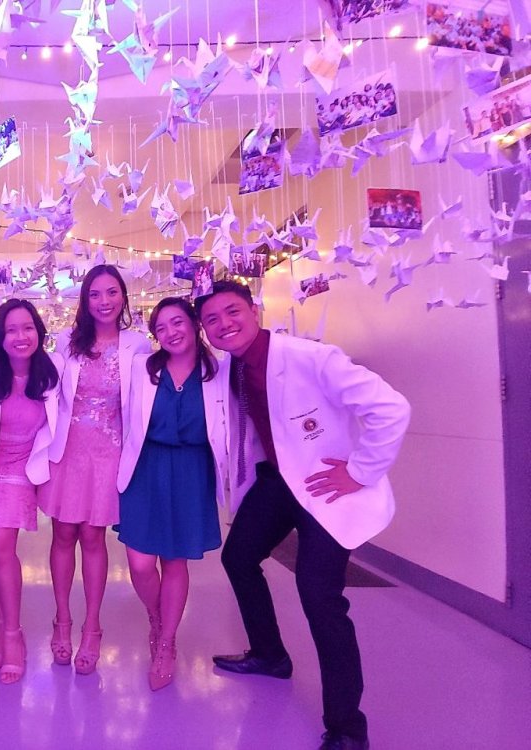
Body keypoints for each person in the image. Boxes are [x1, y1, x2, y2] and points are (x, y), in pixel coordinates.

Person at [195, 280, 410, 750]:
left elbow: (392, 408)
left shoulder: (311, 358)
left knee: (319, 597)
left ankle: (347, 728)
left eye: (232, 312)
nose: (224, 324)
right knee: (238, 558)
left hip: (324, 486)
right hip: (278, 481)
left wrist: (361, 471)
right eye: (211, 319)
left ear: (254, 310)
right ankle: (270, 655)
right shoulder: (230, 368)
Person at [37, 265, 150, 675]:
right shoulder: (66, 341)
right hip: (67, 450)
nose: (104, 301)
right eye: (95, 294)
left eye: (112, 292)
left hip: (109, 452)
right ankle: (62, 620)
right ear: (85, 300)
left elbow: (143, 401)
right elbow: (46, 390)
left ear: (123, 297)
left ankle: (92, 627)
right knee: (63, 534)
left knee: (93, 537)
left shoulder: (138, 344)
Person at [116, 297, 224, 691]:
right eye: (160, 328)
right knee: (141, 563)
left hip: (191, 473)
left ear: (194, 324)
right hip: (145, 467)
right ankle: (156, 615)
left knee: (175, 561)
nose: (170, 333)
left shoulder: (219, 372)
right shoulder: (142, 368)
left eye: (177, 322)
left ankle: (166, 642)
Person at [0, 299, 62, 684]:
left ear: (38, 331)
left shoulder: (53, 372)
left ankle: (12, 636)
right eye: (10, 330)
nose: (20, 337)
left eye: (27, 328)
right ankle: (2, 630)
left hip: (21, 470)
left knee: (1, 549)